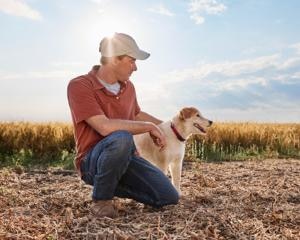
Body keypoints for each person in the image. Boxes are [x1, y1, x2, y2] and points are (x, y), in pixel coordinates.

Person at [67, 33, 179, 218]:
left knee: (169, 196)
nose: (135, 68)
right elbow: (103, 126)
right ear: (113, 59)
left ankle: (110, 183)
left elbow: (135, 115)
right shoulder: (80, 85)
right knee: (121, 138)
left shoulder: (129, 87)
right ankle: (101, 200)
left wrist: (171, 127)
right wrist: (149, 127)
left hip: (127, 158)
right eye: (132, 61)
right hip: (92, 161)